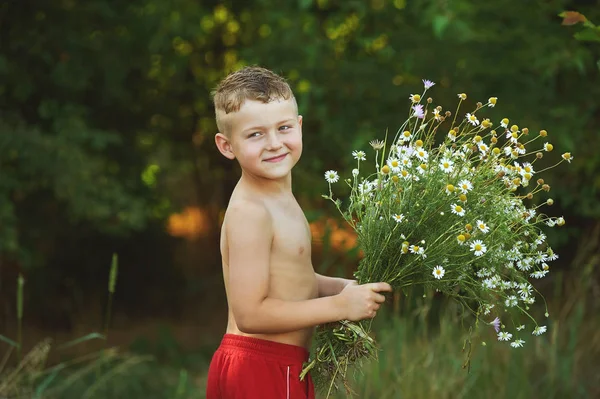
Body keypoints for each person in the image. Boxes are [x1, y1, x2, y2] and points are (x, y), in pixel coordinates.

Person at [206, 66, 392, 399]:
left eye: (284, 128)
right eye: (255, 134)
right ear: (227, 145)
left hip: (282, 364)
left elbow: (290, 278)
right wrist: (339, 307)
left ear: (300, 126)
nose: (274, 143)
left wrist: (343, 288)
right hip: (258, 366)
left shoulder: (279, 196)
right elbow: (251, 314)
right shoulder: (250, 210)